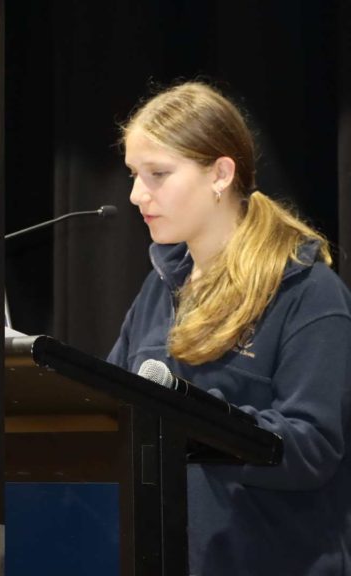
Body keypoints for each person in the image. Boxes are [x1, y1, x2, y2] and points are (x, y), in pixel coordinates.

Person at [108, 81, 351, 574]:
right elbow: (107, 411)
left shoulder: (307, 292)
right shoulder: (158, 289)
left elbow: (312, 447)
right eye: (134, 174)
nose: (136, 194)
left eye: (157, 174)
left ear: (220, 173)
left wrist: (196, 421)